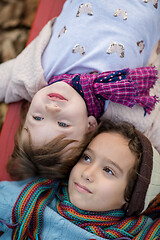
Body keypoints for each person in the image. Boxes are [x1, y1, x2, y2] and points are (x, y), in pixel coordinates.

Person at [0, 0, 160, 153]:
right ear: (90, 125)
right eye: (62, 124)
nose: (50, 108)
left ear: (28, 111)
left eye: (37, 117)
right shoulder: (117, 103)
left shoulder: (32, 78)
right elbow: (153, 129)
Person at [0, 120, 160, 239]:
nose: (87, 173)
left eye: (108, 170)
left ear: (132, 197)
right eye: (87, 158)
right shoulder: (30, 198)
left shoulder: (140, 233)